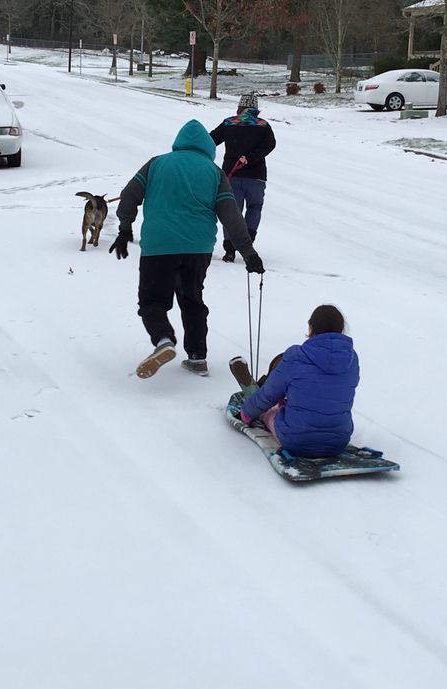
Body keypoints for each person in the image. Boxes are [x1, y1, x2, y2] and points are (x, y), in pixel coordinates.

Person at [110, 119, 266, 379]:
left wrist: (125, 228)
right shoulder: (213, 172)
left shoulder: (156, 163)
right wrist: (248, 253)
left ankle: (163, 340)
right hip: (197, 249)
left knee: (152, 301)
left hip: (159, 246)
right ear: (207, 145)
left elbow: (129, 195)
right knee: (192, 299)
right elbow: (232, 215)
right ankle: (197, 357)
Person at [229, 304, 359, 458]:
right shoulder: (351, 359)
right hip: (338, 441)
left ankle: (260, 403)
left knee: (270, 410)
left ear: (311, 328)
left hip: (296, 440)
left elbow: (268, 395)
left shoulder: (297, 356)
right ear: (341, 329)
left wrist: (246, 413)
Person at [210, 93, 276, 264]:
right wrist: (251, 157)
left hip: (232, 175)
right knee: (255, 208)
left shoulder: (229, 123)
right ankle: (248, 241)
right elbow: (270, 145)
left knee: (232, 210)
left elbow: (210, 140)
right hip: (256, 177)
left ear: (240, 107)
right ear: (255, 109)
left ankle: (230, 250)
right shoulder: (263, 125)